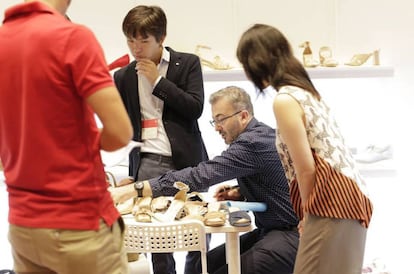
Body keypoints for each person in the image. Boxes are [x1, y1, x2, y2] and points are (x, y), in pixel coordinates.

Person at [0, 1, 133, 273]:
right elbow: (120, 133)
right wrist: (81, 139)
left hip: (23, 226)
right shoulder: (72, 37)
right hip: (79, 225)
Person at [111, 86, 299, 274]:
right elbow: (275, 181)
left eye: (221, 119)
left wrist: (135, 189)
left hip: (291, 234)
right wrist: (239, 191)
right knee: (201, 265)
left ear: (243, 116)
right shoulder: (261, 135)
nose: (217, 127)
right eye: (214, 121)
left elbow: (199, 176)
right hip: (272, 229)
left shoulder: (252, 143)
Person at [236, 23, 374, 274]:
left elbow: (306, 168)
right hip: (351, 199)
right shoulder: (306, 93)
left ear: (256, 62)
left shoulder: (285, 100)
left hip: (330, 201)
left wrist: (308, 216)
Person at [113, 5, 209, 274]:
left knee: (199, 230)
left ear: (161, 38)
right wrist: (127, 170)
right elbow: (123, 127)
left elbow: (195, 108)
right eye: (131, 40)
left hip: (189, 160)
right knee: (156, 237)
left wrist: (158, 82)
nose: (136, 47)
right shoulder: (123, 76)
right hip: (147, 161)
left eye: (144, 40)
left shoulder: (187, 63)